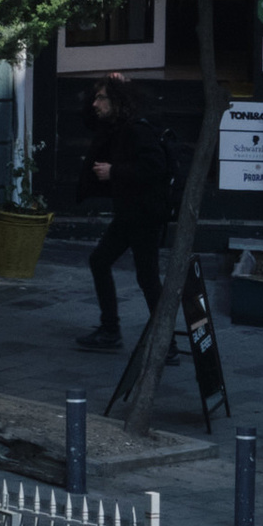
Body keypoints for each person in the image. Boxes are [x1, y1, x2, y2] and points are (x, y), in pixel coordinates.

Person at [83, 84, 172, 351]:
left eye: (101, 98)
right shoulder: (118, 127)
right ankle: (111, 330)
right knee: (100, 261)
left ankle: (166, 345)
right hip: (130, 214)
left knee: (148, 278)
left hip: (144, 215)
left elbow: (155, 166)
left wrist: (114, 171)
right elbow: (87, 119)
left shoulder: (136, 129)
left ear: (117, 101)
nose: (95, 103)